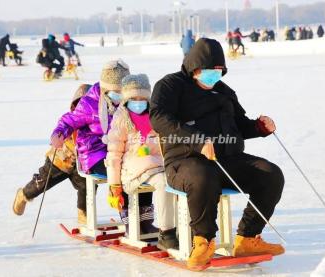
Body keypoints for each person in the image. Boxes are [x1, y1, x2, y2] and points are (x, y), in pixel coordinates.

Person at [150, 38, 285, 269]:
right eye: (210, 71)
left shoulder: (224, 91)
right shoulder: (170, 85)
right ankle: (203, 241)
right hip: (184, 162)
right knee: (203, 176)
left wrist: (259, 127)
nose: (215, 76)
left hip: (227, 160)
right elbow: (159, 118)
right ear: (195, 68)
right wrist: (198, 141)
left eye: (219, 71)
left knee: (270, 174)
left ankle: (248, 238)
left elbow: (240, 126)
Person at [50, 60, 156, 233]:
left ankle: (145, 220)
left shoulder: (131, 100)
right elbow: (69, 120)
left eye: (121, 91)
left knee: (144, 167)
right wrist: (59, 133)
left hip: (123, 150)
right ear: (105, 88)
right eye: (114, 91)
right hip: (95, 153)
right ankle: (129, 219)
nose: (118, 95)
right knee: (125, 172)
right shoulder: (90, 103)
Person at [106, 74, 178, 250]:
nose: (138, 102)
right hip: (132, 168)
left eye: (142, 99)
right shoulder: (122, 118)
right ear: (126, 99)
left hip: (157, 165)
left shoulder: (155, 116)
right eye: (133, 99)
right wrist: (114, 184)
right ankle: (166, 231)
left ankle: (180, 227)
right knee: (163, 183)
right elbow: (114, 153)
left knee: (176, 181)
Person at [12, 84, 91, 223]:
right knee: (41, 183)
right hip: (60, 161)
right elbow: (63, 126)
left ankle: (83, 213)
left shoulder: (96, 120)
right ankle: (23, 195)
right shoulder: (71, 117)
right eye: (80, 104)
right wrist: (58, 136)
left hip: (82, 164)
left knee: (87, 187)